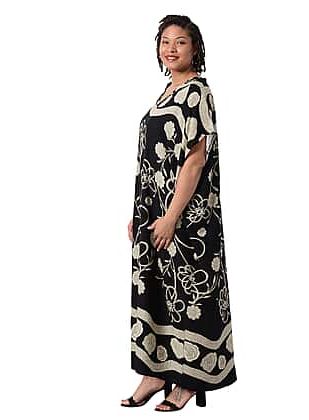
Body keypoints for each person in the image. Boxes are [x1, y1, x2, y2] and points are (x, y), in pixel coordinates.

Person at [121, 14, 237, 412]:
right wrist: (139, 212)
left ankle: (188, 381)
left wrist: (171, 216)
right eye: (165, 42)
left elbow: (195, 160)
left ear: (195, 49)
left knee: (190, 295)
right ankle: (155, 373)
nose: (171, 49)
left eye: (180, 42)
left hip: (187, 219)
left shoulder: (197, 93)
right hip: (153, 212)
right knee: (155, 292)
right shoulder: (165, 94)